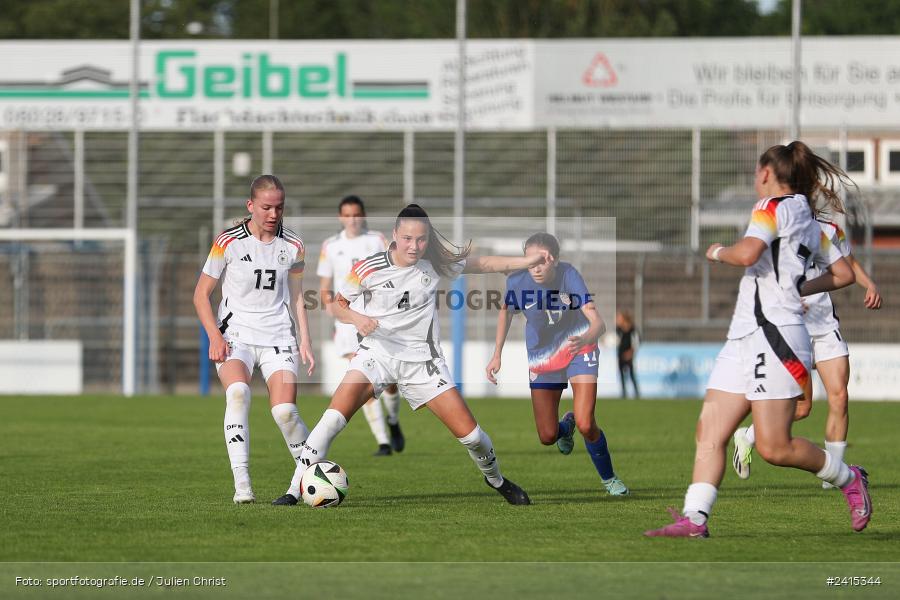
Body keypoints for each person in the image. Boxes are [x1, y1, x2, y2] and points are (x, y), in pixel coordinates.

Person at [644, 142, 871, 538]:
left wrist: (718, 251)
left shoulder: (770, 207)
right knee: (710, 430)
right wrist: (800, 286)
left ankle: (849, 478)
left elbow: (748, 254)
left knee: (774, 447)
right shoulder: (809, 219)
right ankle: (695, 518)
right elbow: (844, 274)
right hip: (744, 334)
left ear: (766, 173)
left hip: (774, 335)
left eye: (756, 171)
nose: (754, 177)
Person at [273, 203, 543, 506]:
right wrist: (357, 318)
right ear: (394, 235)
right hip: (376, 356)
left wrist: (527, 261)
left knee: (473, 438)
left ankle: (496, 480)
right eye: (407, 239)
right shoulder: (368, 267)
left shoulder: (435, 264)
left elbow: (484, 263)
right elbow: (336, 304)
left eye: (421, 239)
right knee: (332, 419)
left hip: (423, 363)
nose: (414, 246)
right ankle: (293, 490)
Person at [193, 174, 315, 504]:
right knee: (238, 393)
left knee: (285, 412)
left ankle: (311, 478)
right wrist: (214, 336)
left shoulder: (294, 245)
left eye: (279, 207)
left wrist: (305, 340)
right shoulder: (228, 242)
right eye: (266, 207)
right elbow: (201, 295)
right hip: (236, 336)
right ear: (251, 206)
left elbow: (297, 296)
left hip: (278, 336)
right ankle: (243, 484)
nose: (274, 214)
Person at [732, 219, 882, 485]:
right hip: (793, 328)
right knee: (802, 408)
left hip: (825, 327)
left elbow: (849, 264)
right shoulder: (775, 230)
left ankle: (833, 476)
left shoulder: (830, 230)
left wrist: (869, 284)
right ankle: (748, 436)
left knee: (840, 397)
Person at [486, 233, 629, 496]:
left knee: (587, 423)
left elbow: (598, 323)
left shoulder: (569, 275)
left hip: (579, 346)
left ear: (555, 259)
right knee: (548, 435)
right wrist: (497, 354)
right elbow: (505, 312)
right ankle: (566, 425)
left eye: (542, 260)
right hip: (543, 355)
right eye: (531, 261)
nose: (536, 267)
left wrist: (586, 337)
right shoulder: (516, 281)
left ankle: (610, 479)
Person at [318, 195, 405, 456]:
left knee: (389, 382)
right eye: (347, 215)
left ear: (363, 215)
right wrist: (331, 307)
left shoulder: (376, 240)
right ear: (340, 217)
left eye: (356, 214)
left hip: (377, 316)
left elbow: (395, 270)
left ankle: (393, 420)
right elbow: (325, 286)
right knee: (362, 379)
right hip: (347, 320)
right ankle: (383, 442)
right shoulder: (330, 245)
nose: (352, 219)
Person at [615, 309, 640, 398]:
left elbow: (636, 342)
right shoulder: (618, 330)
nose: (617, 320)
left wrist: (630, 353)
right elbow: (616, 341)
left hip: (629, 355)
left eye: (619, 318)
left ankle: (636, 393)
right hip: (620, 355)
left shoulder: (632, 330)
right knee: (621, 375)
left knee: (632, 374)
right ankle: (624, 393)